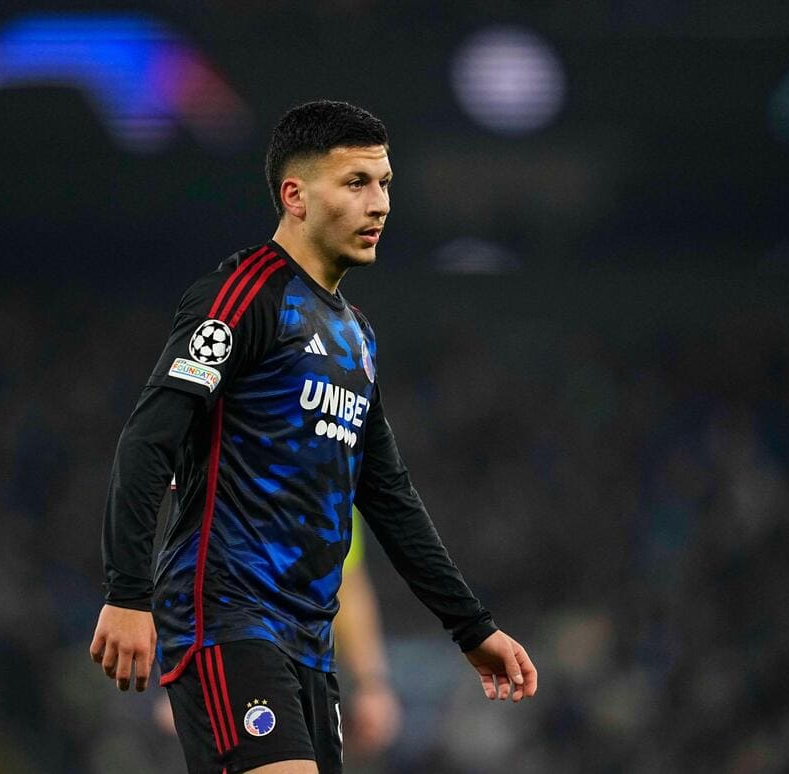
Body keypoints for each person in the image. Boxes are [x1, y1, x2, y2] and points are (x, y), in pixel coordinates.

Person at [91, 100, 537, 774]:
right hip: (225, 618)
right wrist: (128, 593)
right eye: (356, 183)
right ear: (295, 196)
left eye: (384, 183)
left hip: (308, 642)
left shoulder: (356, 335)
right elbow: (148, 439)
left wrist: (471, 627)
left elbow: (388, 495)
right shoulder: (244, 296)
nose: (379, 203)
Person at [150, 510, 403, 760]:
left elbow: (346, 580)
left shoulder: (335, 493)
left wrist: (371, 684)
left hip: (302, 668)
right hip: (222, 658)